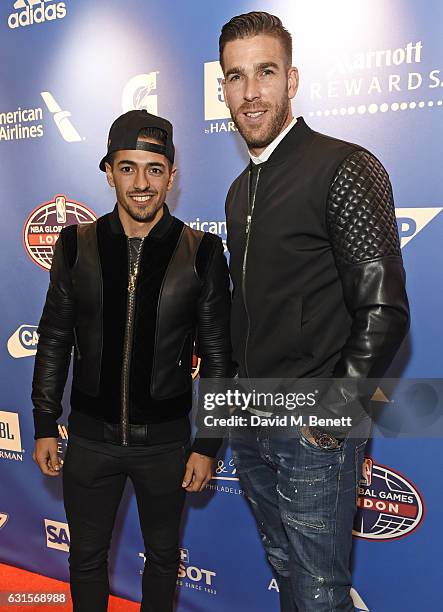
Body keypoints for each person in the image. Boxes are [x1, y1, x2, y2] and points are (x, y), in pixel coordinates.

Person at [219, 11, 410, 611]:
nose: (250, 92)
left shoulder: (343, 166)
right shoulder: (239, 189)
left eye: (265, 72)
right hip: (252, 421)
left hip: (311, 430)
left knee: (322, 590)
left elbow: (384, 309)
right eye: (235, 76)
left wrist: (330, 415)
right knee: (286, 571)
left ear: (292, 79)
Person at [31, 109, 232, 612]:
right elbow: (54, 336)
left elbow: (218, 358)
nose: (141, 183)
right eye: (127, 167)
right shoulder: (75, 244)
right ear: (108, 171)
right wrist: (42, 423)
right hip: (89, 441)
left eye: (154, 169)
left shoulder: (202, 251)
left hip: (165, 447)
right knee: (86, 560)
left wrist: (207, 443)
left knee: (164, 560)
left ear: (172, 174)